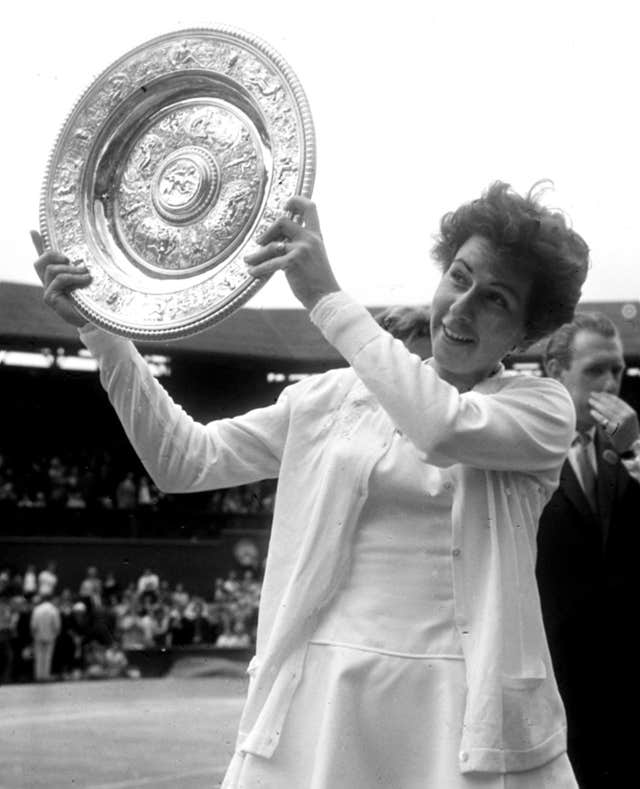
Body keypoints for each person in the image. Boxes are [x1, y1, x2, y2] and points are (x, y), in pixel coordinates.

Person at [33, 181, 589, 787]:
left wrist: (325, 295)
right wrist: (103, 334)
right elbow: (184, 461)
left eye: (497, 300)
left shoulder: (542, 409)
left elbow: (440, 427)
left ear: (526, 335)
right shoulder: (335, 396)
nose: (462, 306)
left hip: (464, 706)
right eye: (459, 277)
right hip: (321, 696)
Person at [536, 312, 640, 788]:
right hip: (550, 672)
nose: (611, 383)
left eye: (617, 370)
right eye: (595, 370)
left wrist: (635, 452)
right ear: (555, 370)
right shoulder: (521, 443)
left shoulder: (629, 450)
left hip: (624, 678)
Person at [30, 593, 61, 681]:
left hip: (38, 636)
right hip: (50, 636)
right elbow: (57, 625)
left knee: (39, 656)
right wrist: (56, 634)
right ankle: (45, 676)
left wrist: (33, 635)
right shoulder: (53, 609)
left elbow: (33, 625)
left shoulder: (37, 609)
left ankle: (39, 676)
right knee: (48, 656)